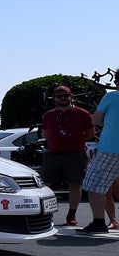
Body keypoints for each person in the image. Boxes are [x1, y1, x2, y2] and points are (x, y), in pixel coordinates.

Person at [41, 85, 95, 226]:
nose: (63, 98)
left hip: (76, 154)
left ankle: (71, 214)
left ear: (71, 97)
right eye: (59, 96)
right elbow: (46, 134)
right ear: (54, 98)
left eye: (66, 96)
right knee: (45, 184)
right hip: (53, 154)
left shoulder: (83, 113)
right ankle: (45, 213)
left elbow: (91, 133)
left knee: (75, 184)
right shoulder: (49, 115)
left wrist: (77, 140)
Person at [80, 89, 119, 233]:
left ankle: (98, 222)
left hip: (111, 148)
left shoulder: (112, 96)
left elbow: (95, 120)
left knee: (94, 185)